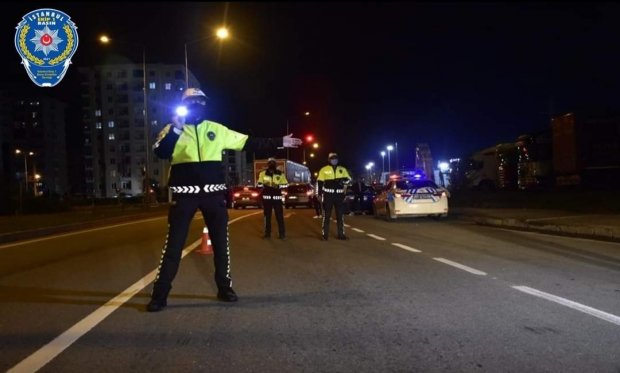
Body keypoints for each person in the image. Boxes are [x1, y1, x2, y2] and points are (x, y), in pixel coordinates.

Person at [148, 88, 301, 312]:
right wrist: (177, 129)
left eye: (201, 101)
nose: (197, 105)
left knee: (221, 245)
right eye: (192, 102)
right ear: (184, 104)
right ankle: (159, 296)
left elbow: (247, 142)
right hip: (184, 196)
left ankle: (225, 288)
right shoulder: (171, 130)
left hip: (214, 195)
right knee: (173, 246)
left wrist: (279, 141)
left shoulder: (216, 129)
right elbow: (160, 153)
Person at [317, 153, 352, 240]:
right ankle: (325, 235)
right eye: (332, 159)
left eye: (336, 158)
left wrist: (342, 180)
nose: (334, 160)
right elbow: (320, 182)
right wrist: (319, 194)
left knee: (340, 216)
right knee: (327, 216)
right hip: (328, 195)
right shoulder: (324, 169)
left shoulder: (342, 169)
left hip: (339, 195)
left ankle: (341, 235)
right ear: (329, 160)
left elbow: (349, 180)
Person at [256, 157, 288, 239]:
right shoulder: (263, 174)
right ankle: (267, 234)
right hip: (267, 200)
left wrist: (277, 186)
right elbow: (258, 184)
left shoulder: (280, 174)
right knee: (267, 217)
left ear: (275, 164)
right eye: (270, 163)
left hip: (277, 199)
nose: (271, 164)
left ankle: (282, 234)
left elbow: (286, 185)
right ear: (268, 164)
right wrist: (264, 184)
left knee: (279, 217)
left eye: (273, 163)